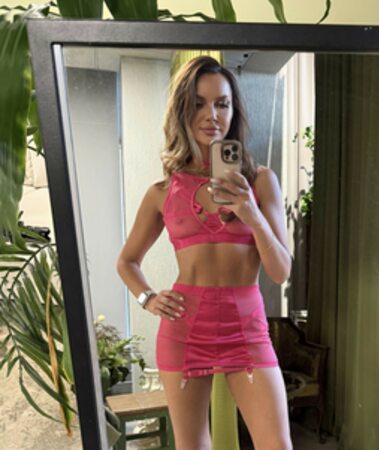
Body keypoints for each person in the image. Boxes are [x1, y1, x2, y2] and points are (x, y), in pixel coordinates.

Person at [116, 56, 293, 450]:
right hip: (184, 330)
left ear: (234, 110)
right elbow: (126, 261)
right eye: (199, 103)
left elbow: (280, 272)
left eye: (221, 103)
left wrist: (250, 212)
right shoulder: (162, 192)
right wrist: (148, 298)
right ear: (183, 110)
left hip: (247, 330)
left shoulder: (260, 181)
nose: (212, 115)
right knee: (193, 445)